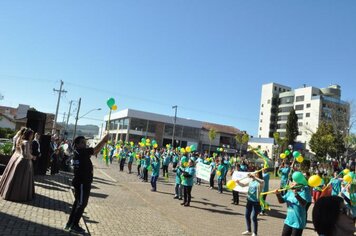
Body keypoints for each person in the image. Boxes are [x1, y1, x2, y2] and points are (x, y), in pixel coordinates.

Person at [64, 133, 109, 234]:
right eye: (83, 142)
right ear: (77, 144)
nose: (85, 144)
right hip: (82, 183)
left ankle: (70, 223)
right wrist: (104, 140)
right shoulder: (81, 152)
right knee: (81, 204)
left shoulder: (79, 152)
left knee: (78, 203)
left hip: (82, 182)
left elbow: (96, 150)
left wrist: (103, 142)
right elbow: (95, 149)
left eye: (85, 142)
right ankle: (74, 225)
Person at [0, 128, 36, 202]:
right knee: (21, 180)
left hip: (20, 161)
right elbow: (26, 155)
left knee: (16, 179)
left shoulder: (22, 141)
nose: (32, 136)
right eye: (32, 135)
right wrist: (33, 157)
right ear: (29, 135)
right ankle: (18, 195)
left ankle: (10, 193)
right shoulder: (26, 142)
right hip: (24, 163)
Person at [236, 171, 264, 236]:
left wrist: (253, 177)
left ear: (258, 175)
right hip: (249, 201)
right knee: (246, 215)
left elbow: (262, 182)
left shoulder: (260, 182)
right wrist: (238, 182)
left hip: (256, 202)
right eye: (254, 173)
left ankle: (255, 233)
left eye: (255, 173)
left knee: (254, 217)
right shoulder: (251, 181)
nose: (253, 174)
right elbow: (243, 185)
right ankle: (249, 230)